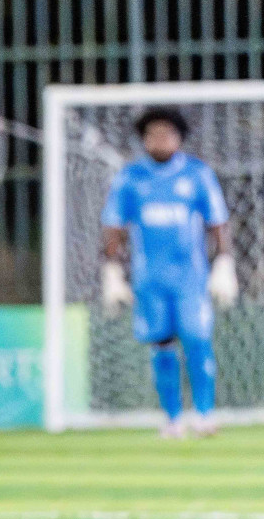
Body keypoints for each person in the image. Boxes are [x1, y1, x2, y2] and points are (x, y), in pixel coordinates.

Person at [99, 107, 236, 438]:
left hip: (190, 278)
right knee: (161, 344)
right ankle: (172, 419)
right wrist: (112, 270)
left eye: (167, 134)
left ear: (179, 138)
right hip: (150, 279)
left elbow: (218, 221)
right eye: (153, 134)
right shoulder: (131, 178)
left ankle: (204, 415)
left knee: (197, 340)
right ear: (145, 140)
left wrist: (224, 262)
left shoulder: (196, 175)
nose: (160, 140)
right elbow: (114, 226)